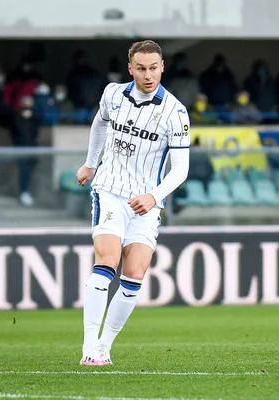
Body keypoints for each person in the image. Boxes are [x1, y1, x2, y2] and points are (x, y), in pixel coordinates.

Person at [76, 40, 190, 366]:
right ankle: (88, 345)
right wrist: (90, 163)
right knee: (107, 259)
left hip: (146, 200)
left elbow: (180, 169)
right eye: (141, 68)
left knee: (134, 273)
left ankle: (104, 347)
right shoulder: (113, 93)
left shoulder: (175, 112)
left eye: (153, 67)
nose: (148, 74)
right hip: (110, 189)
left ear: (162, 66)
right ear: (130, 68)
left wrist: (153, 196)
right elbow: (99, 124)